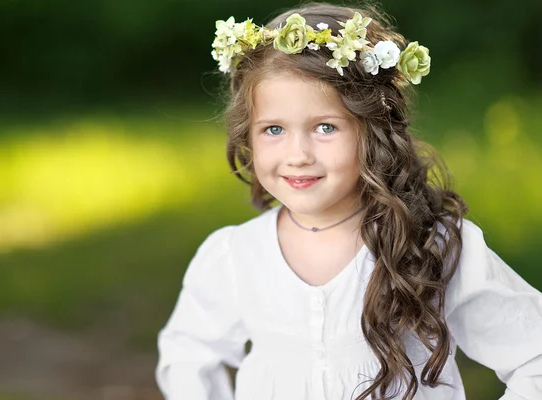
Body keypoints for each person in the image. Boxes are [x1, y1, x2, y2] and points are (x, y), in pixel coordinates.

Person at [154, 2, 542, 399]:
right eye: (273, 129)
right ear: (247, 136)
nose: (298, 154)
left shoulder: (431, 244)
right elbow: (188, 354)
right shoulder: (234, 256)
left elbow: (535, 355)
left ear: (372, 131)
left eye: (325, 127)